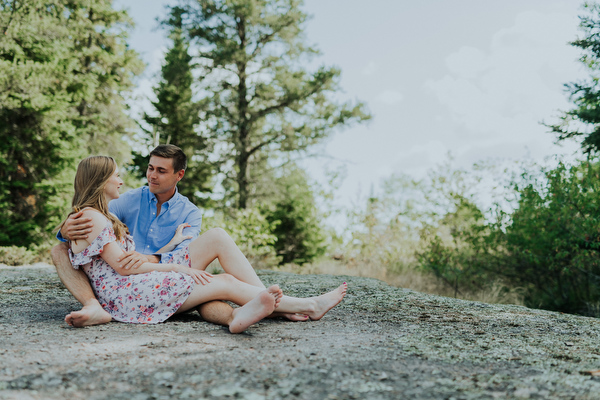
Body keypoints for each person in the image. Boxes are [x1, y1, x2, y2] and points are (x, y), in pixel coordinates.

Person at [57, 155, 346, 333]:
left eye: (160, 170)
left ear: (178, 175)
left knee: (217, 276)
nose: (123, 180)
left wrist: (173, 248)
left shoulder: (186, 211)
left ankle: (257, 308)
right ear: (100, 180)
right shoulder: (100, 214)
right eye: (116, 175)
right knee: (222, 281)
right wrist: (178, 269)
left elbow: (120, 259)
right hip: (128, 290)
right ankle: (309, 304)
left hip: (139, 279)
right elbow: (120, 265)